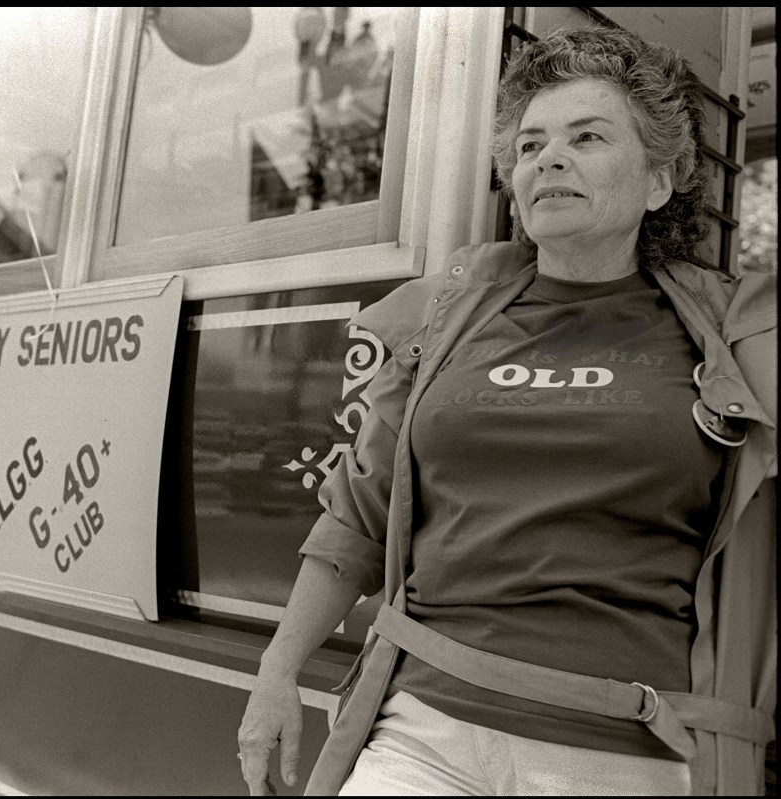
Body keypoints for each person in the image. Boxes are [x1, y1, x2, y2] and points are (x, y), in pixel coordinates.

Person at [237, 25, 775, 797]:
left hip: (628, 747)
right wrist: (277, 672)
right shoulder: (447, 317)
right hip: (422, 727)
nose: (548, 158)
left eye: (587, 137)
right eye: (529, 146)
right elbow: (359, 513)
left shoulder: (737, 336)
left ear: (659, 181)